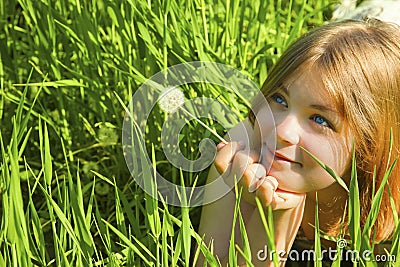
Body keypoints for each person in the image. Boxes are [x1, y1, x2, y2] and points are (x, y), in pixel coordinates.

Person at [197, 19, 400, 266]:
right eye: (280, 100)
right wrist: (273, 216)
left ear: (369, 145)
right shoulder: (243, 149)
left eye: (319, 119)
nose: (282, 131)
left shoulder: (392, 215)